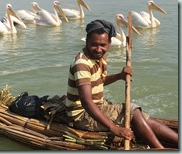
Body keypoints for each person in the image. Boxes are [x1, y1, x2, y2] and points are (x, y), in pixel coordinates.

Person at [64, 19, 178, 149]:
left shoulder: (100, 58)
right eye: (94, 44)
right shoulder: (82, 64)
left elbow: (99, 82)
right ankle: (160, 149)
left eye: (103, 45)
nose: (98, 49)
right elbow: (87, 102)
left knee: (142, 117)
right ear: (87, 41)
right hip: (82, 115)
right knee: (133, 112)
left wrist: (119, 76)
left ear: (109, 44)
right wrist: (114, 128)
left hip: (98, 105)